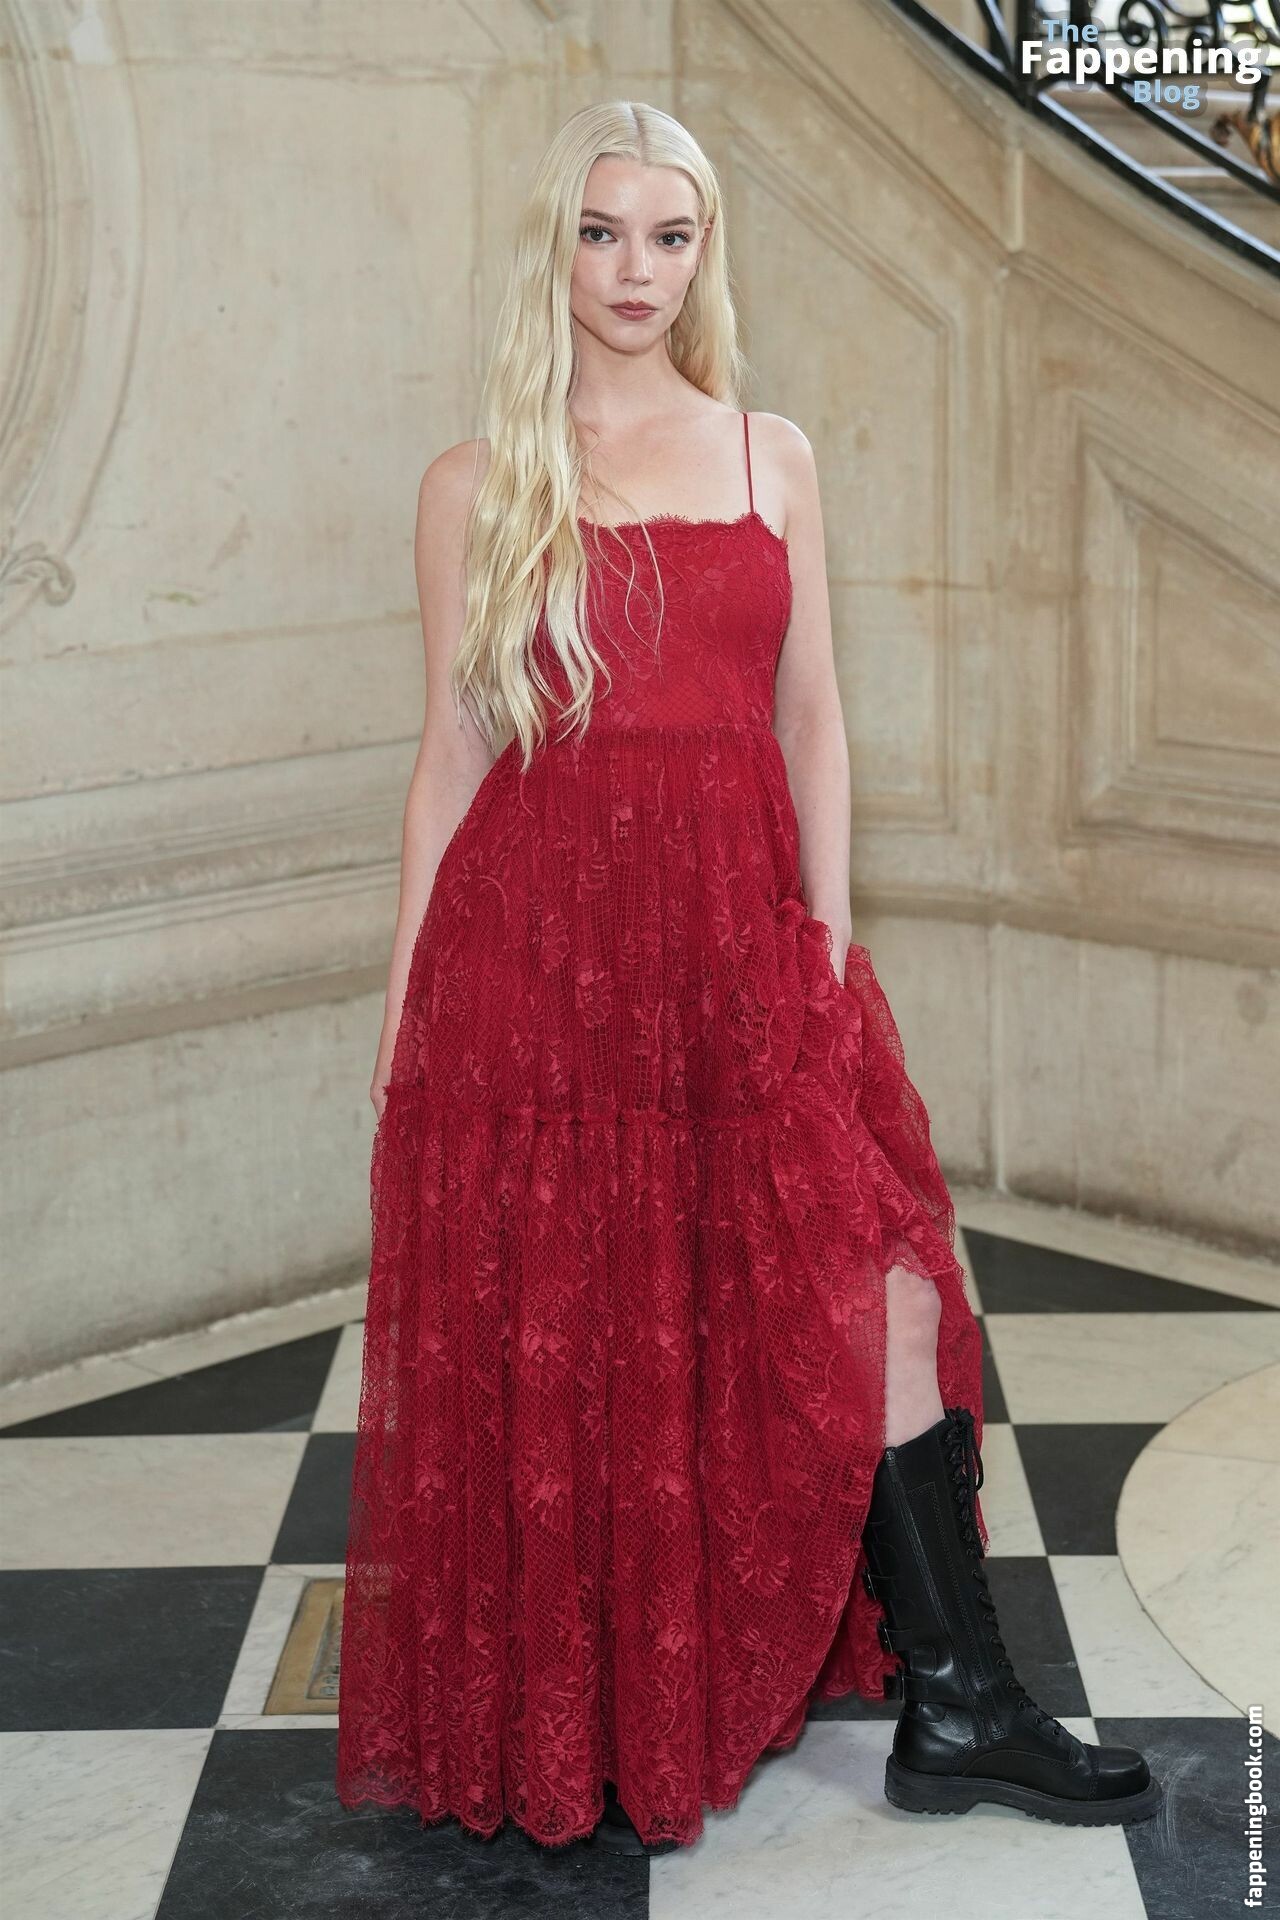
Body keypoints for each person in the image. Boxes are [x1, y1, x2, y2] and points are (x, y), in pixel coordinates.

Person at [335, 99, 1160, 1856]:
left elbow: (815, 715)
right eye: (602, 232)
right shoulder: (477, 482)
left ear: (706, 252)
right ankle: (655, 1700)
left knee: (886, 1287)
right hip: (540, 964)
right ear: (555, 248)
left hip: (738, 952)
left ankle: (962, 1699)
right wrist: (410, 1004)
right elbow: (452, 758)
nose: (635, 270)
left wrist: (826, 938)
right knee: (588, 1316)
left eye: (671, 234)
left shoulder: (767, 453)